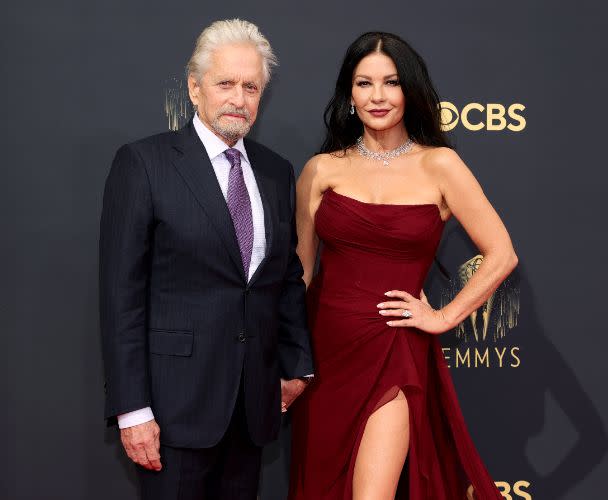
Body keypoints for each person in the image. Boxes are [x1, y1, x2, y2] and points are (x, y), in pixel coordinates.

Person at [289, 32, 517, 499]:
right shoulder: (320, 170)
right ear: (348, 94)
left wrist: (444, 316)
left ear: (409, 90)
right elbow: (301, 275)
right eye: (363, 83)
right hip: (324, 353)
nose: (377, 96)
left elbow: (501, 253)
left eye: (390, 83)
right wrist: (286, 356)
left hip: (394, 349)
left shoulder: (440, 165)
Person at [99, 19, 314, 500]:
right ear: (195, 89)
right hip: (173, 412)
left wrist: (297, 364)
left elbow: (287, 278)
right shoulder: (143, 164)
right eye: (226, 83)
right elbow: (121, 297)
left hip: (252, 407)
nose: (239, 98)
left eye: (251, 87)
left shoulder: (277, 172)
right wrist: (133, 411)